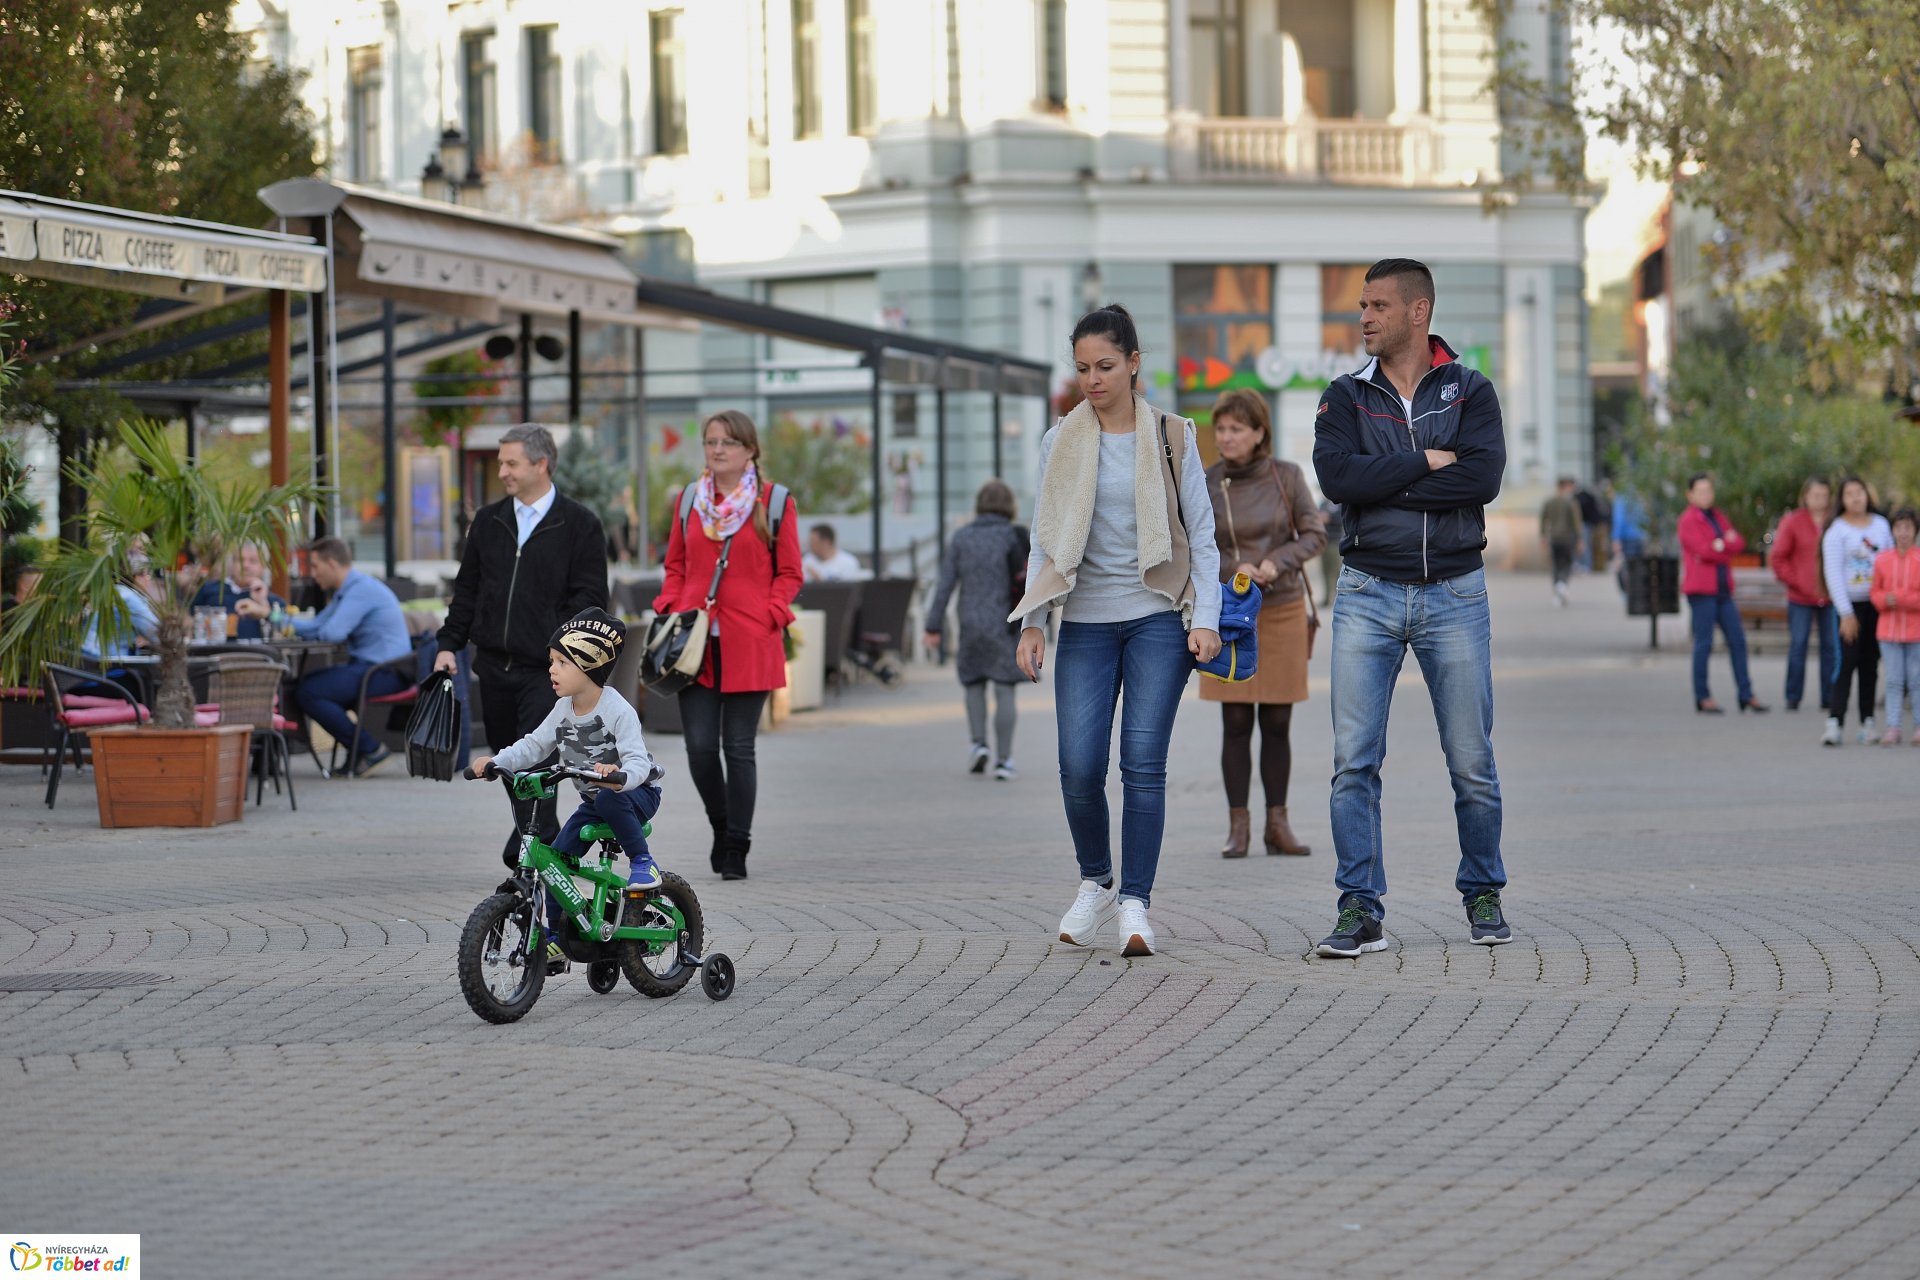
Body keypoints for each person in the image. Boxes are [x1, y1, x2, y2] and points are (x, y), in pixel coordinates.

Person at [1310, 257, 1511, 958]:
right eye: (1361, 306)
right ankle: (1359, 909)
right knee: (1353, 763)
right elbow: (1337, 478)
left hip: (1456, 593)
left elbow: (1482, 477)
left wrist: (1384, 486)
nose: (1363, 317)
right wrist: (1428, 464)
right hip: (1366, 593)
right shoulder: (1344, 396)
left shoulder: (1470, 391)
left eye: (1376, 306)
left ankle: (1483, 890)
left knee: (1471, 761)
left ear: (1417, 312)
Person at [1013, 303, 1222, 958]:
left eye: (1105, 366)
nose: (1093, 380)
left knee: (1142, 763)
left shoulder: (1174, 435)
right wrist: (1034, 619)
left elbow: (1204, 541)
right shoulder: (1059, 442)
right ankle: (1095, 881)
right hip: (1087, 619)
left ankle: (1135, 903)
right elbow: (1044, 538)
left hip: (1157, 616)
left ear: (1134, 363)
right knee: (1077, 766)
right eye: (1082, 368)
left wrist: (1207, 619)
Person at [434, 424, 610, 859]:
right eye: (502, 463)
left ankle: (534, 842)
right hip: (493, 666)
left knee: (535, 760)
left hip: (546, 669)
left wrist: (560, 648)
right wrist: (448, 644)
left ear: (541, 464)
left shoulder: (580, 524)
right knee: (508, 760)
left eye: (511, 463)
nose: (503, 471)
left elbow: (590, 599)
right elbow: (468, 589)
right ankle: (537, 838)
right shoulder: (490, 522)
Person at [468, 609, 666, 965]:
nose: (552, 669)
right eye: (551, 661)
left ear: (588, 665)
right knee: (554, 863)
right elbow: (533, 745)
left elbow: (638, 760)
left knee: (608, 798)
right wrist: (498, 762)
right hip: (596, 801)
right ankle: (557, 940)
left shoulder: (616, 709)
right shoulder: (562, 710)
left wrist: (618, 774)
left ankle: (643, 862)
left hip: (634, 794)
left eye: (562, 661)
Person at [654, 410, 802, 881]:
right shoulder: (688, 502)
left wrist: (770, 614)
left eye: (728, 442)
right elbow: (674, 565)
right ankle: (721, 827)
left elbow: (790, 572)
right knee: (699, 748)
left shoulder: (775, 502)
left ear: (750, 450)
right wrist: (670, 604)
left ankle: (738, 843)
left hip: (749, 641)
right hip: (692, 645)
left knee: (738, 747)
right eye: (711, 442)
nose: (717, 450)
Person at [1201, 387, 1325, 859]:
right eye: (1222, 429)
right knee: (1234, 720)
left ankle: (1279, 824)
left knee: (1276, 720)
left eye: (1236, 429)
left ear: (1259, 433)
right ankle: (1239, 829)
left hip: (1281, 607)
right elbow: (1191, 550)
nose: (1226, 438)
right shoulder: (1207, 481)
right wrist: (1230, 574)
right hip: (1229, 615)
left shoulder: (1286, 477)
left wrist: (1273, 563)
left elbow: (1315, 534)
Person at [241, 537, 411, 775]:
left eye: (314, 566)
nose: (312, 573)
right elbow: (316, 624)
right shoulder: (348, 590)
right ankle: (361, 750)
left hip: (385, 671)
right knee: (304, 687)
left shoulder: (361, 590)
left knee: (309, 691)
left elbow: (331, 631)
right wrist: (270, 614)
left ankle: (370, 749)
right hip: (371, 667)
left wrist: (275, 617)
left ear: (331, 563)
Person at [922, 479, 1029, 780]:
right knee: (1005, 687)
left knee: (974, 684)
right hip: (1007, 624)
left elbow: (944, 586)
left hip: (970, 624)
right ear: (1009, 505)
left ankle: (978, 745)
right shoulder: (1013, 536)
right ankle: (1004, 760)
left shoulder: (961, 538)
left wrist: (933, 626)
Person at [1677, 473, 1766, 715]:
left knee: (1737, 641)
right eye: (1701, 491)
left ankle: (1746, 694)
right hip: (1701, 591)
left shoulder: (1717, 516)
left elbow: (1738, 543)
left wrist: (1721, 544)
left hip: (1723, 590)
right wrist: (1721, 545)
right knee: (1703, 644)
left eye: (1709, 490)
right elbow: (1703, 551)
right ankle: (1702, 696)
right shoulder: (1688, 520)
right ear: (1690, 494)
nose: (1706, 495)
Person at [1822, 476, 1893, 746]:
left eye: (1859, 492)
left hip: (1877, 606)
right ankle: (1834, 722)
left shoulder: (1881, 526)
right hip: (1848, 606)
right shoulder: (1837, 531)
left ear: (1868, 494)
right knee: (1846, 662)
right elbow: (1833, 573)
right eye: (1849, 493)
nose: (1855, 498)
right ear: (1841, 499)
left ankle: (1868, 722)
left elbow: (1887, 563)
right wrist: (1845, 613)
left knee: (1869, 664)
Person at [1770, 478, 1836, 712]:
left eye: (1824, 495)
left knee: (1830, 646)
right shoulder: (1793, 521)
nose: (1819, 499)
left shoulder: (1835, 521)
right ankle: (1793, 695)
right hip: (1800, 597)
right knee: (1798, 645)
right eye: (1815, 494)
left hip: (1830, 596)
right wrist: (1796, 581)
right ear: (1805, 496)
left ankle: (1829, 696)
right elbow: (1778, 558)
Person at [1871, 505, 1920, 746]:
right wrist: (1883, 600)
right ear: (1892, 530)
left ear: (1915, 531)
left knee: (1916, 681)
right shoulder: (1882, 560)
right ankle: (1893, 727)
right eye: (1899, 527)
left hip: (1915, 632)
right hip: (1888, 631)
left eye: (1908, 527)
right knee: (1893, 680)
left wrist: (1900, 599)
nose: (1903, 532)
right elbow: (1875, 592)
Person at [191, 542, 285, 640]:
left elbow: (285, 632)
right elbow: (190, 620)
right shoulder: (209, 589)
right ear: (232, 563)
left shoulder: (275, 602)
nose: (245, 565)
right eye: (240, 560)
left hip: (256, 654)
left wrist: (262, 603)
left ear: (264, 566)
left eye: (253, 561)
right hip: (214, 653)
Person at [1540, 477, 1580, 607]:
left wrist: (1543, 537)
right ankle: (1562, 584)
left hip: (1554, 538)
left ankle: (1557, 588)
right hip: (1568, 538)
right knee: (1567, 563)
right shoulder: (1571, 503)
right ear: (1565, 486)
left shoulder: (1549, 502)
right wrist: (1580, 540)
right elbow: (1576, 523)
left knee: (1556, 564)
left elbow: (1543, 521)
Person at [1576, 483, 1609, 573]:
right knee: (1585, 545)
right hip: (1590, 524)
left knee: (1586, 545)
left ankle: (1586, 565)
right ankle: (1585, 564)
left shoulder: (1585, 498)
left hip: (1587, 524)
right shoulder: (1590, 497)